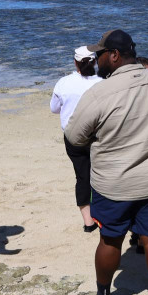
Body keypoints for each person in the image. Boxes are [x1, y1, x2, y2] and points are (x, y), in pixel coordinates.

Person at [65, 29, 148, 295]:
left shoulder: (99, 92)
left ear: (115, 55)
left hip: (112, 184)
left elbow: (74, 136)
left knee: (110, 240)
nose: (97, 60)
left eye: (100, 55)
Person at [50, 46, 103, 231]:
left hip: (73, 136)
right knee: (103, 175)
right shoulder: (102, 82)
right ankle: (105, 215)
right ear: (95, 62)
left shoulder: (64, 82)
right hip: (98, 135)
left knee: (82, 177)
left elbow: (54, 108)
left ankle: (88, 223)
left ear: (75, 62)